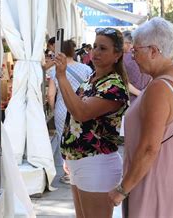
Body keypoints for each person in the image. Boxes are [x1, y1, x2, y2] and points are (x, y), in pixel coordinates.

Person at [108, 17, 173, 217]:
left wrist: (122, 189)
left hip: (159, 189)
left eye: (136, 51)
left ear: (153, 51)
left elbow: (149, 148)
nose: (133, 57)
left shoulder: (160, 87)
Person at [53, 27, 129, 218]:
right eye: (94, 46)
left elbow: (80, 112)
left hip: (97, 163)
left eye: (103, 48)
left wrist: (61, 76)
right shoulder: (92, 79)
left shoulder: (114, 86)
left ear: (117, 55)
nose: (95, 52)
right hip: (80, 161)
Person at [47, 40, 92, 184]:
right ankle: (82, 170)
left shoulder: (55, 70)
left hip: (62, 108)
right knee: (80, 136)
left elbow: (50, 94)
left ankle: (68, 174)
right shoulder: (86, 69)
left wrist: (54, 108)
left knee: (63, 139)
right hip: (82, 106)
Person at [122, 30, 152, 104]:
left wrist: (140, 93)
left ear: (128, 43)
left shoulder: (121, 59)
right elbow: (153, 76)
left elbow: (124, 82)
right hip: (148, 97)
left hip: (131, 101)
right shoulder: (148, 55)